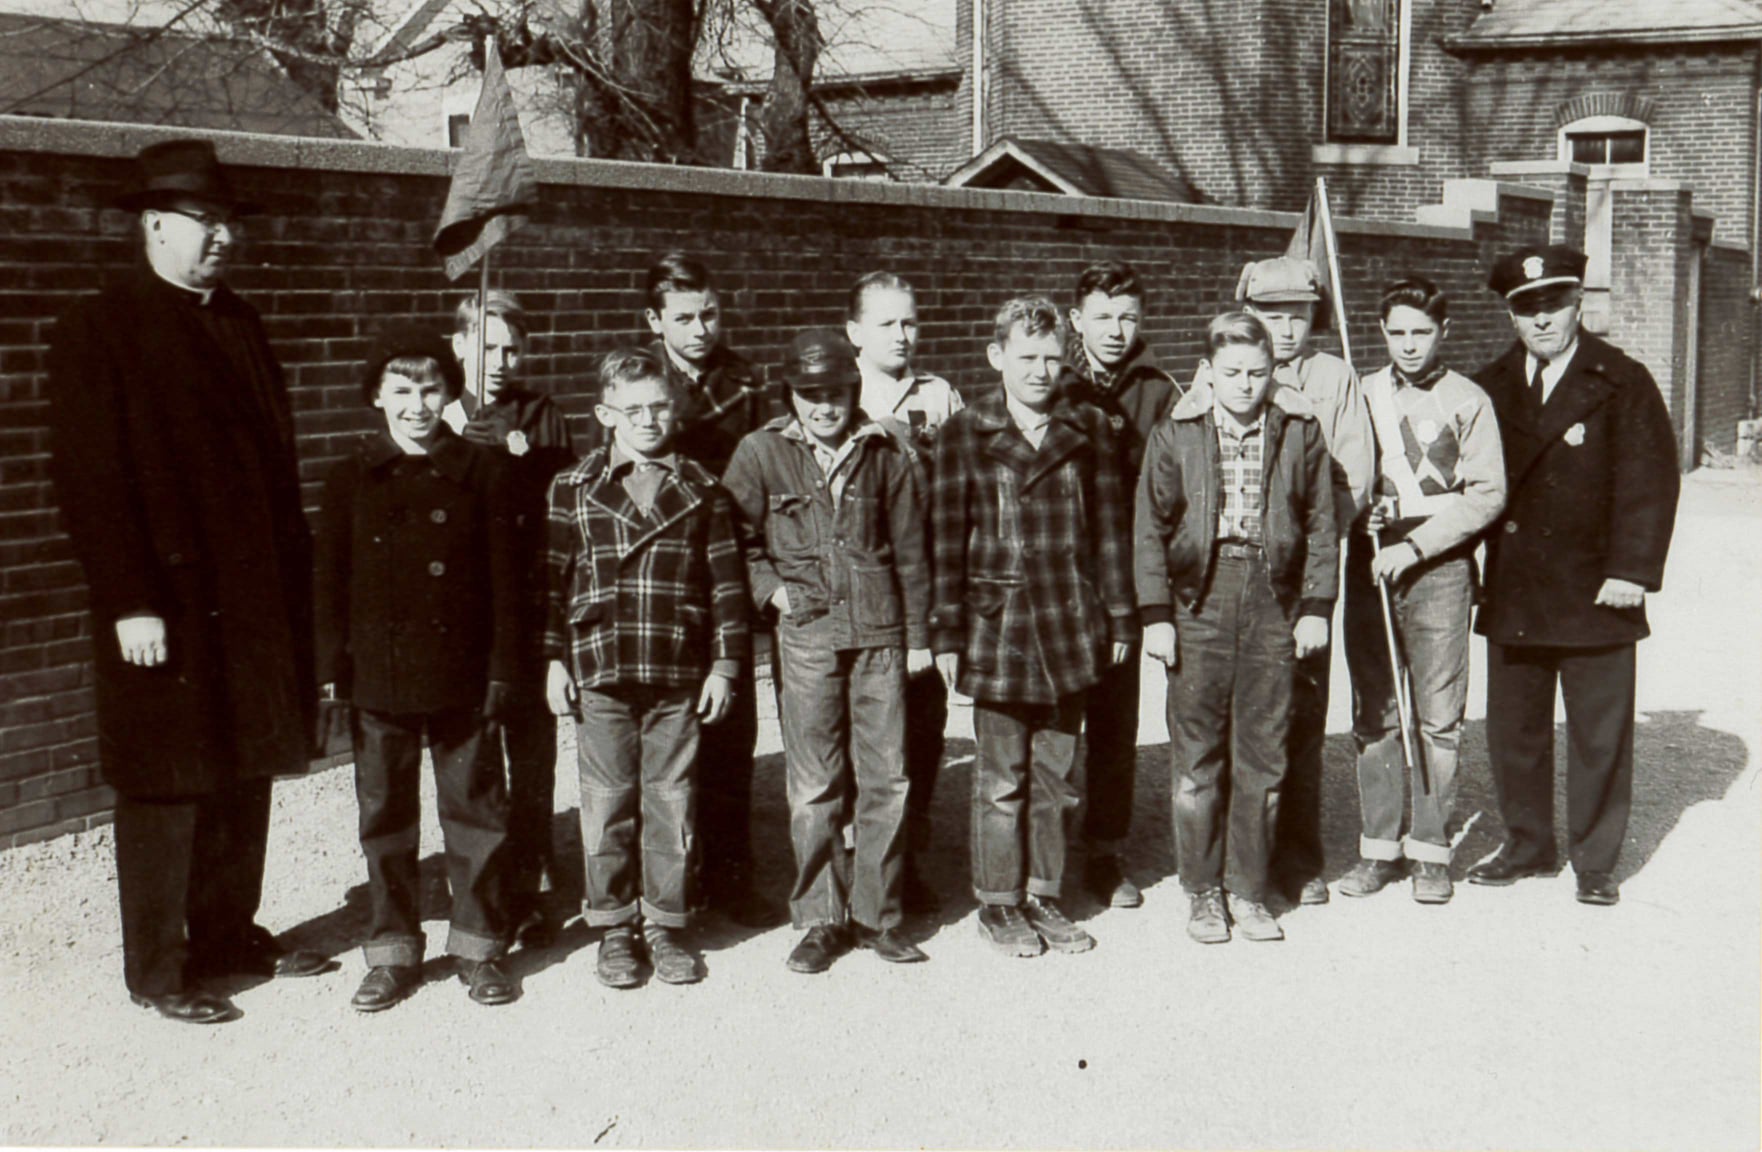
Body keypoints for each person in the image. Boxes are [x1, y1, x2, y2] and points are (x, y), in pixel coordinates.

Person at [46, 139, 328, 1025]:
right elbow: (90, 480)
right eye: (203, 222)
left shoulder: (240, 322)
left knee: (246, 765)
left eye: (227, 223)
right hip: (162, 601)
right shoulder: (102, 328)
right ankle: (160, 971)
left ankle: (229, 933)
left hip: (250, 597)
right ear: (153, 224)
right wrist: (128, 598)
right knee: (169, 779)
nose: (221, 238)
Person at [315, 324, 521, 1011]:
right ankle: (393, 948)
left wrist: (500, 669)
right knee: (386, 819)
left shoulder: (484, 472)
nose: (417, 404)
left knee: (476, 814)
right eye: (401, 390)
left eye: (430, 388)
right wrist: (332, 667)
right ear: (377, 396)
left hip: (462, 674)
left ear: (448, 392)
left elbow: (506, 582)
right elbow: (330, 583)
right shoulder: (350, 479)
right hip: (381, 677)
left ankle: (479, 946)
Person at [1467, 245, 1680, 907]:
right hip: (1517, 584)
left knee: (1598, 734)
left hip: (1598, 588)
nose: (1541, 320)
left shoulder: (1621, 379)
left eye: (1553, 304)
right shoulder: (1489, 385)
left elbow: (1650, 483)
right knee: (1516, 731)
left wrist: (1631, 570)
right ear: (1511, 314)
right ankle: (1528, 844)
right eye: (1526, 308)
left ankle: (1595, 861)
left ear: (1578, 303)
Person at [930, 297, 1135, 958]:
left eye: (1052, 357)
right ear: (997, 358)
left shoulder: (1089, 430)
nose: (1042, 370)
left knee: (1054, 771)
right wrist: (946, 634)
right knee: (999, 776)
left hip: (1068, 620)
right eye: (1027, 358)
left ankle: (1044, 894)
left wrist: (1120, 616)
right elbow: (945, 541)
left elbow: (1108, 533)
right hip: (998, 624)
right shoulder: (965, 431)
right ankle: (998, 903)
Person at [723, 330, 931, 973]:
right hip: (807, 634)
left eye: (835, 393)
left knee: (887, 779)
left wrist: (919, 638)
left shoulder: (886, 452)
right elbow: (733, 537)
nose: (824, 407)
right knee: (814, 784)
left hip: (880, 636)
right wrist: (772, 592)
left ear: (853, 391)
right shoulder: (760, 454)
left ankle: (878, 915)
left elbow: (912, 551)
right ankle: (819, 917)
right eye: (810, 395)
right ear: (791, 395)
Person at [543, 348, 750, 987]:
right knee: (606, 804)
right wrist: (553, 659)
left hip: (675, 668)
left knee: (672, 800)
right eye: (632, 410)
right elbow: (551, 585)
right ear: (607, 415)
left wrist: (725, 665)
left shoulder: (700, 488)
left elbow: (727, 588)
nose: (648, 419)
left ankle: (666, 921)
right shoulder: (573, 488)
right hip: (601, 665)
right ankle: (612, 925)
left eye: (659, 406)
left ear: (676, 407)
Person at [1135, 312, 1338, 944]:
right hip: (1201, 595)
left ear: (1272, 370)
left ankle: (1248, 889)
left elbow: (1322, 523)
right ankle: (1201, 891)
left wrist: (1315, 606)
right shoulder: (1178, 433)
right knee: (1197, 755)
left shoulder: (1300, 431)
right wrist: (1157, 616)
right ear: (1209, 372)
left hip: (1274, 596)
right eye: (1232, 373)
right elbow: (1150, 527)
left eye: (1257, 372)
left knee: (1264, 749)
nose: (1246, 384)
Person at [610, 253, 782, 929]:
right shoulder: (640, 384)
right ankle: (660, 882)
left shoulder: (746, 382)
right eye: (683, 317)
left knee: (728, 726)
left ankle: (732, 874)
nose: (700, 328)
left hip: (725, 561)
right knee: (659, 736)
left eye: (709, 313)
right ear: (655, 321)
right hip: (658, 574)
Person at [1337, 278, 1505, 905]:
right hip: (1372, 562)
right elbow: (1343, 470)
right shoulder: (1364, 393)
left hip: (1439, 565)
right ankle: (1378, 847)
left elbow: (1488, 492)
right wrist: (1365, 512)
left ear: (1444, 332)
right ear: (1381, 332)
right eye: (1397, 332)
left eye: (1421, 332)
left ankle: (1431, 850)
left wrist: (1416, 544)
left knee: (1437, 716)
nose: (1408, 345)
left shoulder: (1469, 399)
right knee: (1375, 709)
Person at [1235, 255, 1374, 906]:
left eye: (1298, 314)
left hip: (1305, 570)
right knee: (1242, 714)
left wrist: (1313, 545)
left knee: (1301, 711)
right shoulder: (1229, 370)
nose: (1285, 329)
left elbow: (1353, 473)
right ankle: (1238, 860)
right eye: (1271, 314)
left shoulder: (1333, 377)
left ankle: (1298, 854)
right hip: (1238, 570)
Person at [445, 290, 576, 948]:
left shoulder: (540, 415)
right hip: (460, 610)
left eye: (510, 349)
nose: (498, 360)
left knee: (530, 753)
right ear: (457, 344)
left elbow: (558, 505)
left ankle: (531, 883)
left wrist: (512, 455)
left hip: (523, 607)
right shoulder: (435, 415)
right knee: (472, 757)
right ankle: (483, 886)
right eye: (485, 345)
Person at [1060, 259, 1181, 909]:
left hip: (1121, 582)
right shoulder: (1050, 381)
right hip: (1057, 576)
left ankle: (1105, 848)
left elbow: (1171, 495)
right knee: (1052, 718)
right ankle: (1042, 847)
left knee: (1113, 718)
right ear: (1077, 320)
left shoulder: (1160, 391)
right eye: (1102, 316)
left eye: (1128, 317)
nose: (1115, 329)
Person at [845, 270, 963, 913]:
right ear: (855, 332)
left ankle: (907, 859)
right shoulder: (838, 393)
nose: (902, 335)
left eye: (910, 322)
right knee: (858, 735)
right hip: (862, 588)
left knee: (920, 730)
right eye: (887, 323)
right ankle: (853, 867)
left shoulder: (939, 395)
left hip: (923, 586)